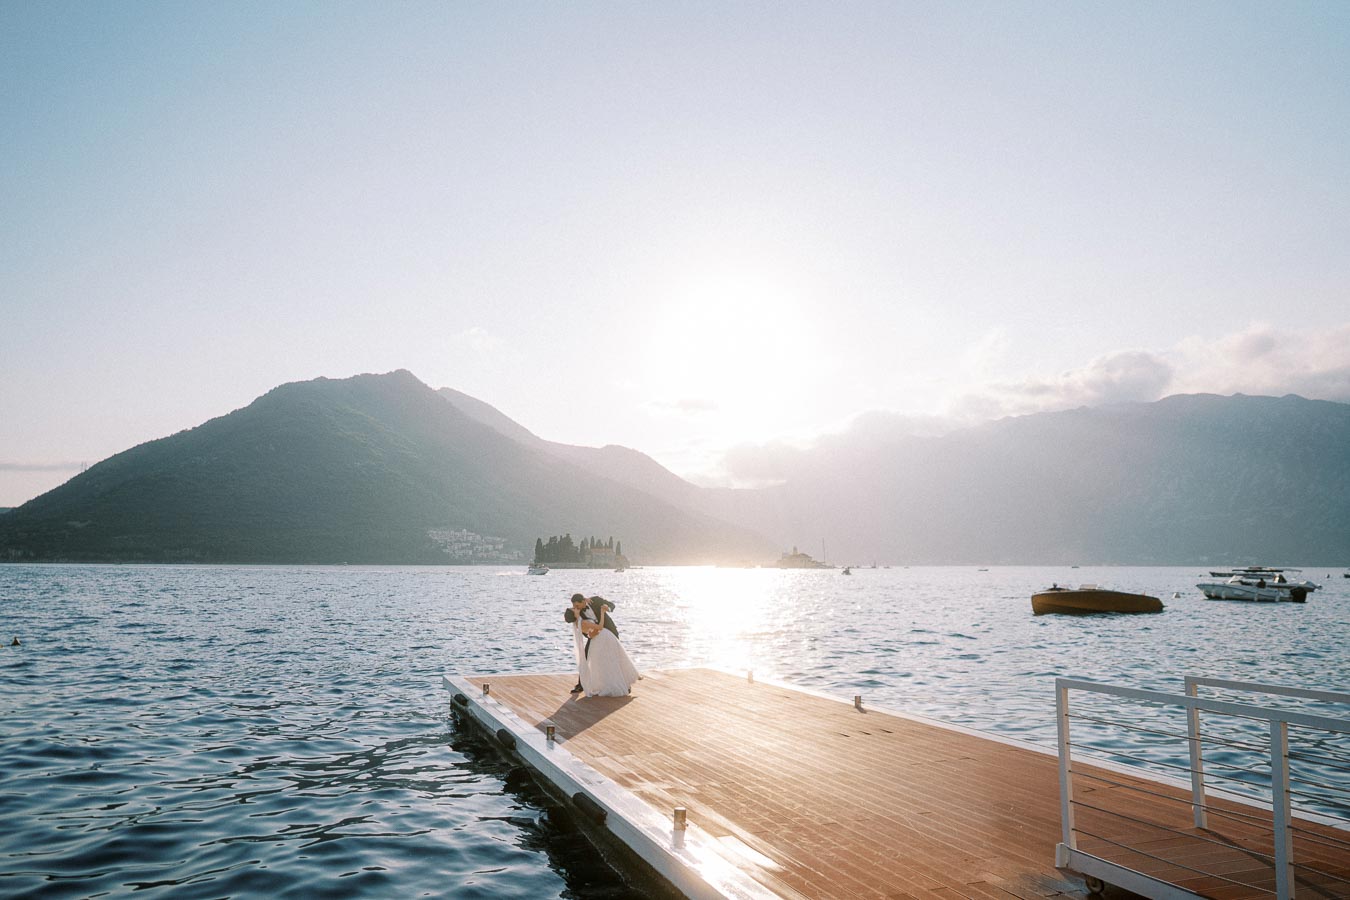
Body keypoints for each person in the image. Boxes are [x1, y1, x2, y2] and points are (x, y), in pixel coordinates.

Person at [566, 593, 637, 698]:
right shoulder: (578, 611)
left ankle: (624, 684)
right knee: (586, 657)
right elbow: (581, 626)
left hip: (610, 632)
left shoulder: (595, 600)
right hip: (594, 636)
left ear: (583, 601)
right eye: (574, 606)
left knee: (616, 658)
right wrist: (589, 635)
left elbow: (611, 605)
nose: (576, 608)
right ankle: (581, 685)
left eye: (577, 605)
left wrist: (607, 608)